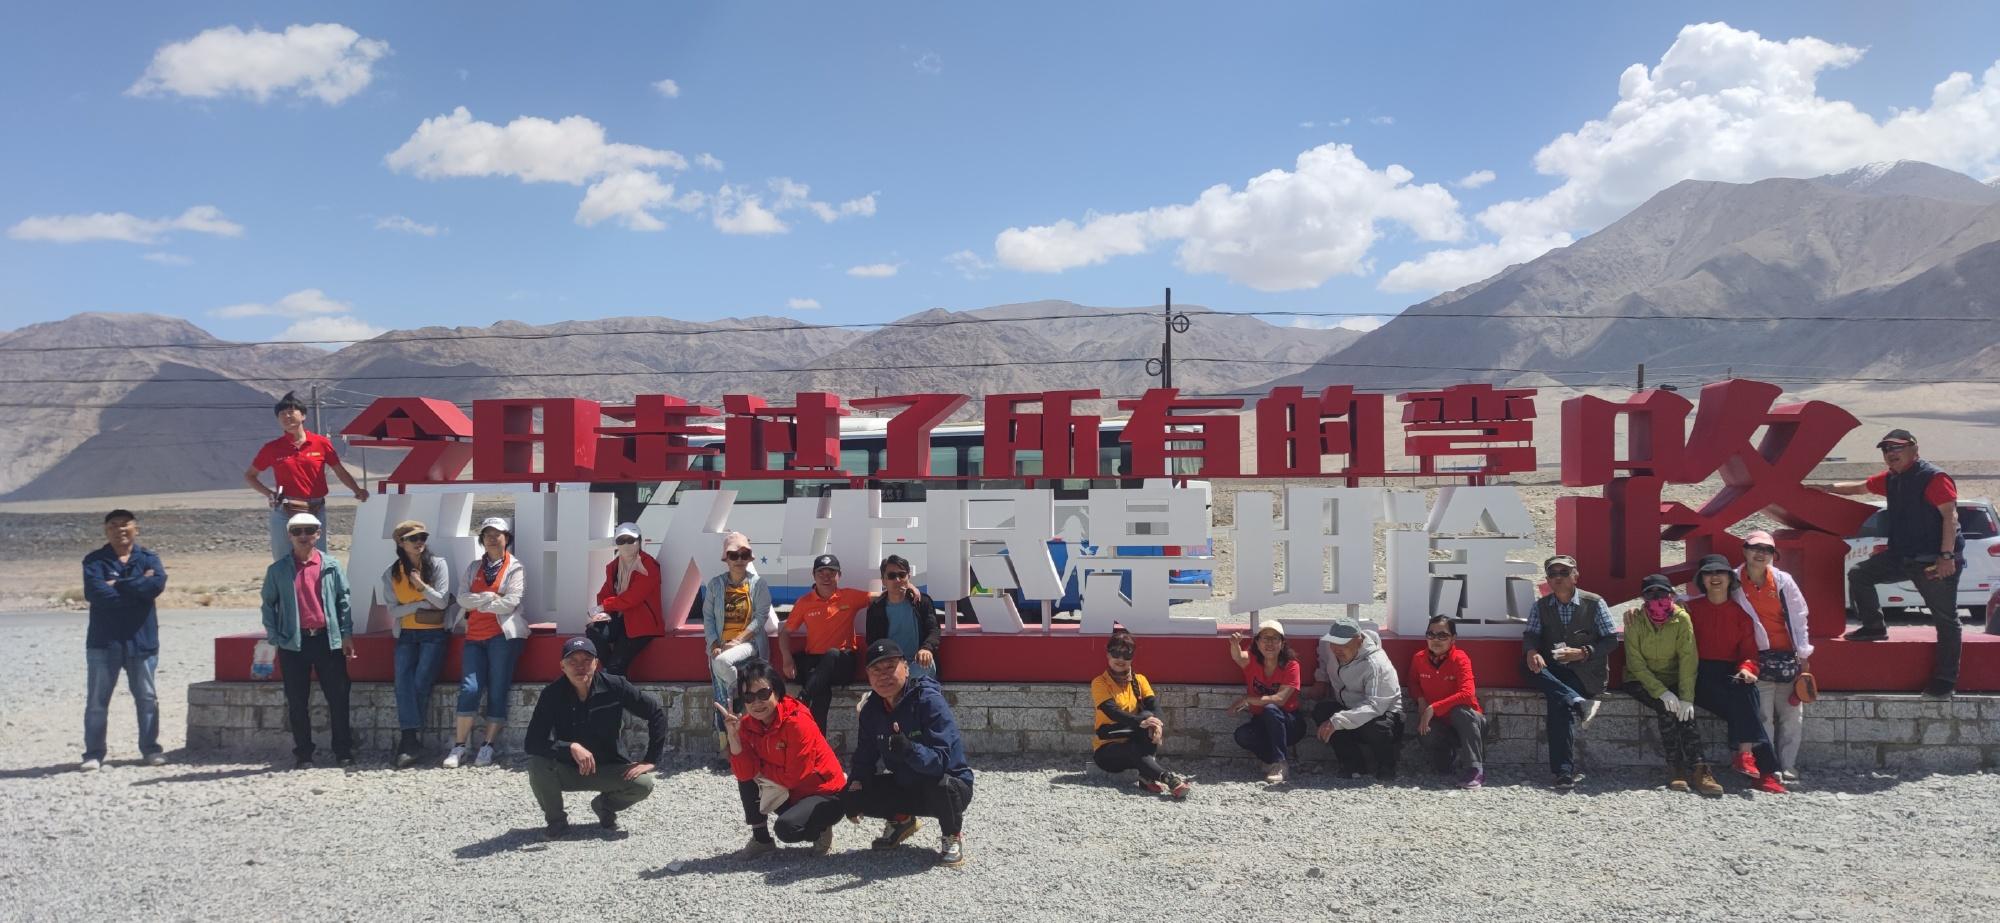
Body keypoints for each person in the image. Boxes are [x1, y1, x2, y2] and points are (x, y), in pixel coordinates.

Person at [1824, 428, 1964, 698]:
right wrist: (1824, 488)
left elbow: (1951, 517)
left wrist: (1946, 556)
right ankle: (1874, 627)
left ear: (1914, 449)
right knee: (1860, 574)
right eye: (1886, 449)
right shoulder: (1891, 478)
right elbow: (1859, 488)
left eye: (1897, 448)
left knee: (1946, 621)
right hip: (1902, 556)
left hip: (1932, 562)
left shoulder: (1933, 478)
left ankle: (1945, 681)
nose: (1891, 453)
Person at [842, 639, 974, 868]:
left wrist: (910, 749)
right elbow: (865, 755)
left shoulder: (928, 700)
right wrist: (856, 784)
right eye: (876, 670)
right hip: (906, 781)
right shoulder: (872, 709)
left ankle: (952, 836)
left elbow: (941, 762)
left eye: (890, 667)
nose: (883, 676)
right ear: (868, 675)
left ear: (906, 667)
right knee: (852, 793)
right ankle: (902, 820)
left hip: (947, 783)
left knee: (943, 786)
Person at [522, 637, 667, 838]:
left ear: (596, 663)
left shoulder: (616, 686)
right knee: (537, 764)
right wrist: (570, 747)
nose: (580, 667)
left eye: (586, 660)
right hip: (569, 769)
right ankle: (556, 822)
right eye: (572, 661)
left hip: (609, 767)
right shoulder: (551, 694)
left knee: (643, 785)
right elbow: (532, 743)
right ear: (562, 666)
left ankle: (604, 806)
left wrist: (651, 759)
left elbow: (655, 712)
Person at [719, 659, 847, 858]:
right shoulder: (746, 725)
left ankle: (821, 827)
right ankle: (761, 840)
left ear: (777, 691)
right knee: (746, 777)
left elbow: (794, 777)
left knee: (787, 829)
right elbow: (744, 774)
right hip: (790, 789)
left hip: (824, 792)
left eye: (763, 694)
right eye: (749, 697)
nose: (756, 703)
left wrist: (759, 768)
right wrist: (734, 738)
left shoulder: (797, 722)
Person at [1684, 555, 1788, 794]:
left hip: (1730, 673)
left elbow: (1750, 654)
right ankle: (1762, 770)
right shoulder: (1691, 609)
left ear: (1730, 579)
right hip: (1698, 675)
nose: (1715, 577)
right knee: (1746, 707)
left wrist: (1746, 669)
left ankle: (1746, 756)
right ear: (1702, 580)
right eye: (1709, 573)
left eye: (1721, 573)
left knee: (1746, 690)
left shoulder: (1742, 614)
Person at [260, 512, 357, 768]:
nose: (303, 536)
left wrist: (346, 634)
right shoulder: (278, 570)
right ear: (289, 535)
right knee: (297, 700)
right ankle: (303, 754)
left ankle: (343, 751)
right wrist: (275, 636)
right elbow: (268, 605)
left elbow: (343, 601)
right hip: (293, 644)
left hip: (327, 641)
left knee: (338, 698)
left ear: (318, 533)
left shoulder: (332, 566)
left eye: (309, 530)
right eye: (297, 531)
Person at [1522, 554, 1620, 789]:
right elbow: (1531, 634)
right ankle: (1578, 702)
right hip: (1556, 670)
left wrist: (1583, 652)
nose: (1558, 578)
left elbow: (1611, 640)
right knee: (1525, 666)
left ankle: (1563, 771)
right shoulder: (1541, 606)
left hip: (1585, 673)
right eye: (1553, 574)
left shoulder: (1594, 603)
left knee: (1558, 704)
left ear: (1575, 576)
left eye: (1563, 573)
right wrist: (1531, 651)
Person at [80, 509, 168, 771]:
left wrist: (117, 584)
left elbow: (156, 586)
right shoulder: (94, 561)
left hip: (141, 641)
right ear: (106, 530)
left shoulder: (149, 558)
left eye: (125, 524)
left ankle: (150, 750)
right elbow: (96, 594)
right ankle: (93, 754)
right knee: (97, 701)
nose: (120, 529)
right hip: (104, 642)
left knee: (147, 698)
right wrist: (136, 587)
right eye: (113, 525)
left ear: (135, 529)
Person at [244, 391, 367, 561]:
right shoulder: (272, 448)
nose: (286, 417)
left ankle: (317, 588)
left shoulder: (321, 443)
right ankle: (287, 588)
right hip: (285, 510)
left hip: (316, 509)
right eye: (281, 414)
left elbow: (339, 470)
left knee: (318, 560)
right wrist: (269, 494)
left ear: (303, 416)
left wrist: (357, 490)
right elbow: (250, 475)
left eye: (291, 412)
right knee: (284, 561)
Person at [446, 516, 527, 768]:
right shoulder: (473, 567)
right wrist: (490, 595)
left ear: (507, 538)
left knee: (498, 688)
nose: (492, 538)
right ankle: (459, 746)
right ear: (481, 539)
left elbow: (511, 602)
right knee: (469, 688)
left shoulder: (515, 568)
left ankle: (488, 746)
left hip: (502, 638)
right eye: (487, 534)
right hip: (474, 637)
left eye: (498, 533)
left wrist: (479, 599)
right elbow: (462, 599)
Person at [1621, 574, 1712, 795]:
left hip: (1673, 677)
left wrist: (1686, 697)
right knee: (1665, 708)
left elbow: (1688, 658)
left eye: (1661, 593)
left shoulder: (1682, 619)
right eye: (1650, 593)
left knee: (1684, 713)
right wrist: (1661, 692)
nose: (1656, 598)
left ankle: (1700, 769)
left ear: (1671, 594)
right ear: (1643, 597)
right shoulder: (1635, 620)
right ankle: (1676, 767)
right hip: (1640, 679)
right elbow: (1635, 662)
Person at [1733, 530, 1812, 782]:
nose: (1760, 554)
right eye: (1755, 548)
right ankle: (1770, 765)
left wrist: (1804, 655)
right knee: (1763, 715)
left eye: (1767, 550)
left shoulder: (1782, 581)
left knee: (1791, 715)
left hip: (1788, 658)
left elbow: (1799, 618)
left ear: (1773, 555)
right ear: (1745, 550)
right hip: (1756, 659)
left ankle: (1789, 764)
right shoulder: (1733, 580)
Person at [381, 520, 456, 769]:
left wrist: (421, 587)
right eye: (413, 539)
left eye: (422, 536)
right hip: (406, 634)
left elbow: (443, 602)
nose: (419, 542)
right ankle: (409, 740)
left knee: (420, 682)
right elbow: (392, 609)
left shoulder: (437, 565)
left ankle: (409, 742)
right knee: (403, 682)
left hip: (434, 633)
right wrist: (419, 604)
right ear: (401, 543)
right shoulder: (391, 574)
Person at [1089, 629, 1190, 799]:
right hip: (1107, 750)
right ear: (1108, 655)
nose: (1120, 659)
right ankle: (1168, 778)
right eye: (1116, 653)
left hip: (1134, 740)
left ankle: (1146, 778)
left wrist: (1158, 725)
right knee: (1139, 734)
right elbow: (1112, 712)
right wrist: (1141, 722)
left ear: (1132, 657)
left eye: (1126, 655)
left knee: (1149, 717)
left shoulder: (1140, 680)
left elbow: (1154, 706)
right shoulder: (1099, 683)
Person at [779, 553, 873, 734]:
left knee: (832, 655)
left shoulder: (850, 596)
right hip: (816, 664)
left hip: (843, 662)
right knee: (821, 691)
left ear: (839, 575)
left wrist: (908, 587)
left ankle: (802, 699)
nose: (826, 577)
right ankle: (817, 742)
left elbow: (881, 596)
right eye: (821, 572)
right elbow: (785, 632)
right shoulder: (804, 602)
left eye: (832, 572)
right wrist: (787, 658)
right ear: (814, 576)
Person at [1309, 615, 1404, 782]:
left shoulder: (1377, 665)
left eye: (1343, 644)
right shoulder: (1328, 646)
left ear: (1359, 642)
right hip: (1347, 706)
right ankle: (1352, 765)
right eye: (1334, 643)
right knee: (1322, 711)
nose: (1337, 649)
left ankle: (1387, 766)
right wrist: (1321, 679)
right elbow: (1323, 658)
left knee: (1375, 726)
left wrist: (1338, 720)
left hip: (1383, 714)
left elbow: (1376, 706)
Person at [703, 532, 774, 749]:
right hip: (722, 647)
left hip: (748, 646)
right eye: (734, 555)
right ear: (726, 558)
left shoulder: (758, 584)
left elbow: (761, 617)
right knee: (722, 696)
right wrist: (714, 644)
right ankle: (728, 744)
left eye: (744, 554)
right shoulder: (716, 585)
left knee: (723, 667)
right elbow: (708, 617)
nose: (739, 559)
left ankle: (739, 688)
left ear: (750, 557)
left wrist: (738, 640)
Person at [1408, 616, 1484, 789]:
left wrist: (1433, 707)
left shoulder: (1460, 658)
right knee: (1425, 733)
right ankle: (1447, 757)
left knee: (1461, 712)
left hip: (1470, 723)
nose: (1436, 640)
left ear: (1453, 638)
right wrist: (1420, 700)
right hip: (1439, 722)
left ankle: (1475, 769)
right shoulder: (1419, 658)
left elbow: (1467, 694)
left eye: (1442, 635)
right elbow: (1412, 682)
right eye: (1431, 635)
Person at [1226, 620, 1303, 784]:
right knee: (1242, 735)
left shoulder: (1291, 665)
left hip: (1289, 722)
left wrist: (1247, 700)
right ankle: (1270, 761)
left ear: (1282, 643)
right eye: (1265, 638)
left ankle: (1281, 764)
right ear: (1257, 642)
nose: (1269, 643)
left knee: (1271, 708)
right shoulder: (1252, 660)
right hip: (1261, 721)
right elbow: (1238, 656)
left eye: (1275, 639)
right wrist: (1234, 643)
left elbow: (1280, 699)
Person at [587, 522, 664, 676]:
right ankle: (612, 674)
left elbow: (632, 598)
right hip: (620, 619)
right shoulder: (614, 566)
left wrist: (603, 607)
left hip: (641, 625)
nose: (626, 544)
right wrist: (603, 613)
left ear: (639, 541)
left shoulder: (648, 566)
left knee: (615, 667)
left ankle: (612, 676)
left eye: (631, 540)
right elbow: (605, 592)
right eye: (621, 541)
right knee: (593, 631)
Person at [865, 554, 941, 680]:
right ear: (883, 580)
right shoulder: (876, 608)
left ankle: (899, 686)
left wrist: (926, 649)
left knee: (924, 666)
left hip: (919, 663)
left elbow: (934, 630)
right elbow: (872, 641)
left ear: (908, 577)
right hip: (890, 664)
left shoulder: (922, 602)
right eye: (891, 576)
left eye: (902, 575)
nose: (897, 580)